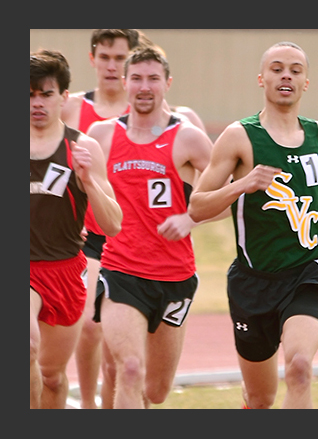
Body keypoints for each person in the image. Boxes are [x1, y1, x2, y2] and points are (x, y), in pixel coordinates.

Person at [188, 41, 318, 409]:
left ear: (306, 82)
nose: (285, 75)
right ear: (262, 79)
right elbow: (196, 206)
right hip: (253, 282)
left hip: (306, 272)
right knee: (260, 399)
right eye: (276, 68)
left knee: (300, 367)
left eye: (295, 69)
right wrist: (243, 184)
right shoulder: (240, 136)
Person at [86, 47, 221, 409]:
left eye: (153, 79)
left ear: (167, 83)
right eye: (137, 79)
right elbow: (80, 190)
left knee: (156, 391)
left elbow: (227, 199)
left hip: (175, 276)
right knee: (128, 368)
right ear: (125, 83)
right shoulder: (101, 136)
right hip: (121, 271)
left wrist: (191, 218)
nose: (144, 87)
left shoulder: (188, 138)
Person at [30, 49, 122, 409]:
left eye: (46, 93)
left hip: (65, 271)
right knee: (27, 345)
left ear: (64, 97)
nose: (37, 102)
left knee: (52, 377)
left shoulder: (83, 147)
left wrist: (88, 183)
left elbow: (113, 223)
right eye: (29, 94)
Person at [60, 28, 140, 410]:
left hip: (133, 236)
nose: (112, 66)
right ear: (92, 58)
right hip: (89, 235)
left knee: (117, 349)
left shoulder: (142, 105)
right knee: (90, 326)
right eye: (105, 57)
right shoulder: (72, 108)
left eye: (121, 58)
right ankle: (88, 405)